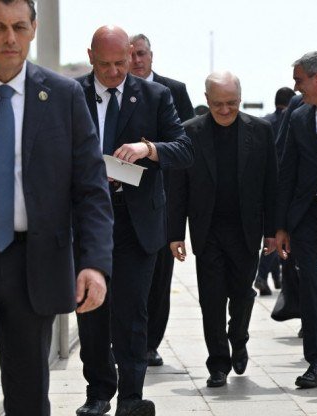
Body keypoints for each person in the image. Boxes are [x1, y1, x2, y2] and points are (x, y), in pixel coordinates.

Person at [0, 0, 113, 416]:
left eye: (19, 27)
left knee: (27, 392)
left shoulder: (63, 97)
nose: (10, 38)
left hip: (35, 264)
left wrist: (94, 264)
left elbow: (90, 189)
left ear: (33, 29)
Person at [74, 25, 193, 416]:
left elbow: (186, 148)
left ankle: (131, 398)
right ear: (90, 56)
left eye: (121, 63)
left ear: (131, 55)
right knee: (91, 309)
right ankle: (98, 391)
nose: (113, 72)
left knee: (132, 310)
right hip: (88, 219)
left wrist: (149, 149)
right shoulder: (71, 95)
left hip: (136, 220)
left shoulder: (157, 96)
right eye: (104, 64)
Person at [168, 72, 277, 389]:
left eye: (231, 103)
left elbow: (272, 184)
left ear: (240, 100)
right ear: (206, 100)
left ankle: (238, 338)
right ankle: (217, 363)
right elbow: (178, 189)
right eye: (218, 104)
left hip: (246, 230)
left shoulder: (260, 131)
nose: (225, 110)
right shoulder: (189, 133)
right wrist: (175, 234)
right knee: (211, 299)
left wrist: (272, 230)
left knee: (242, 294)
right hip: (208, 230)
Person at [128, 32, 196, 368]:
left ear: (151, 56)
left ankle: (150, 343)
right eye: (131, 55)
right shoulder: (114, 94)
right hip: (121, 195)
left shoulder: (172, 91)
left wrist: (152, 149)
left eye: (141, 53)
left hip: (162, 199)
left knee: (159, 278)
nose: (136, 60)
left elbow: (185, 145)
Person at [276, 52, 317, 389]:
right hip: (308, 215)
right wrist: (281, 226)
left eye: (300, 81)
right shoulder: (298, 117)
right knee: (311, 286)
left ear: (316, 79)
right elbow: (287, 172)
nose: (297, 88)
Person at [254, 86, 295, 296]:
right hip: (285, 186)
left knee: (270, 233)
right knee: (277, 235)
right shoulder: (293, 119)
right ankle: (263, 275)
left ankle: (273, 277)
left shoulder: (266, 122)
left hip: (264, 185)